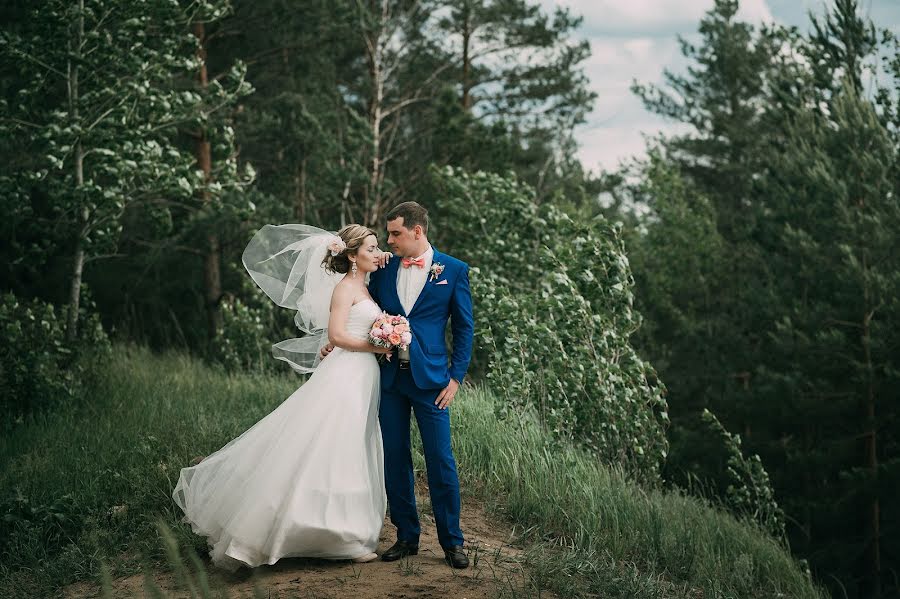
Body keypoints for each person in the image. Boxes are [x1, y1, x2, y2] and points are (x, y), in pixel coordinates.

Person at [172, 224, 392, 571]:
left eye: (378, 247)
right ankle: (296, 531)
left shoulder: (364, 286)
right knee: (332, 442)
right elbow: (336, 333)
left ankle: (346, 532)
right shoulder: (345, 288)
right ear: (352, 256)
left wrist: (380, 340)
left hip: (362, 374)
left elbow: (340, 334)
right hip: (347, 372)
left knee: (351, 443)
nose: (378, 253)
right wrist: (379, 345)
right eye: (371, 248)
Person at [322, 201, 474, 569]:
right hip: (388, 379)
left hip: (432, 382)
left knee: (441, 460)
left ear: (417, 232)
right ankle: (407, 536)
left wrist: (456, 377)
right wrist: (334, 341)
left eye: (395, 234)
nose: (389, 241)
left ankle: (452, 542)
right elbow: (356, 303)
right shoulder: (383, 270)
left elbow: (465, 328)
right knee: (394, 457)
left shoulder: (453, 270)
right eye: (387, 235)